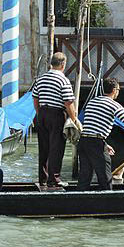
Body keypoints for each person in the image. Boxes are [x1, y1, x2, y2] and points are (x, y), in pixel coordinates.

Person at [32, 52, 79, 187]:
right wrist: (74, 119)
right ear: (63, 64)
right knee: (56, 148)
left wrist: (39, 112)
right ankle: (54, 179)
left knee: (44, 148)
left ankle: (43, 178)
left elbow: (35, 97)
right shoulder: (63, 80)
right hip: (56, 114)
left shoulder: (41, 78)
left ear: (51, 63)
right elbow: (68, 102)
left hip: (42, 114)